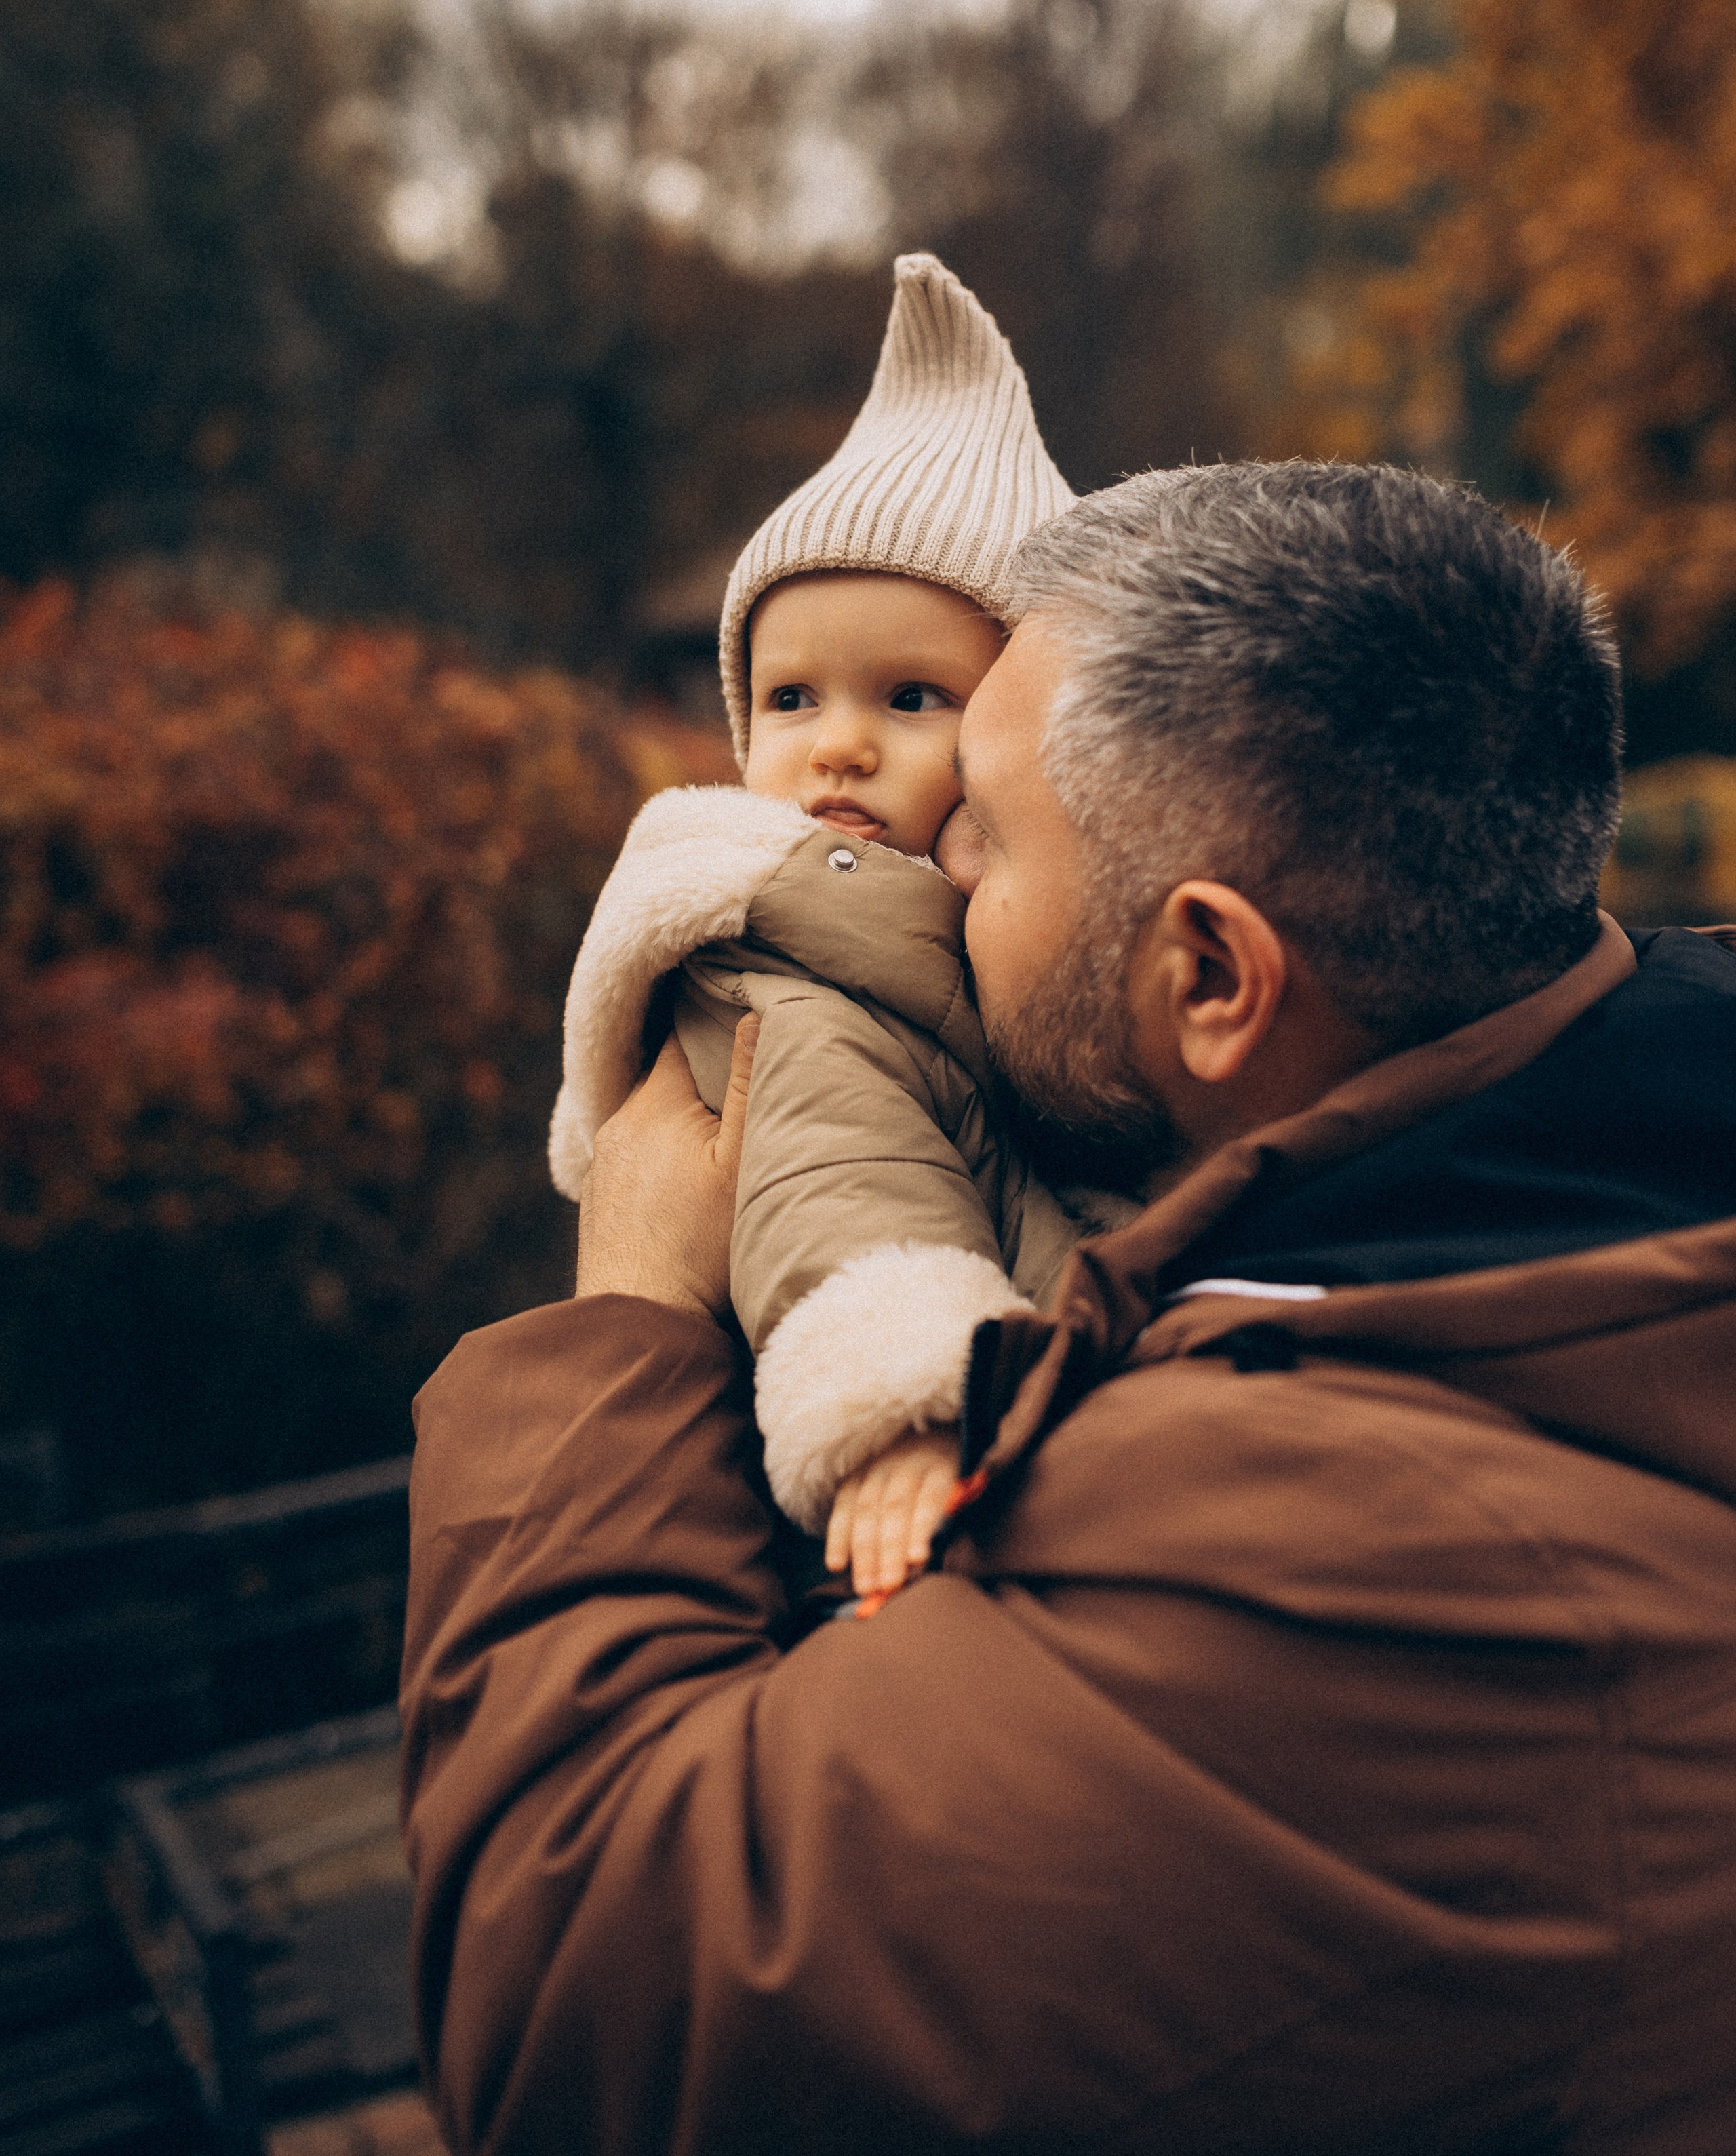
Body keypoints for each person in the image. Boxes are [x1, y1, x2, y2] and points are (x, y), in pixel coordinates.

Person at [402, 462, 1736, 2156]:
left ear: (1206, 979)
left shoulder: (1310, 1543)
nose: (928, 861)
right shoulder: (1613, 1176)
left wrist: (636, 1307)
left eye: (985, 824)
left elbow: (574, 2013)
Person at [549, 252, 1108, 1590]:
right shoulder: (793, 971)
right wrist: (897, 1413)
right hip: (853, 1475)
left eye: (909, 698)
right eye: (792, 701)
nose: (838, 748)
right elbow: (837, 1172)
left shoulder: (943, 940)